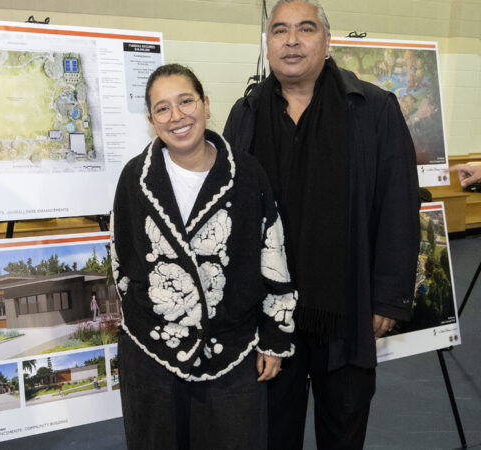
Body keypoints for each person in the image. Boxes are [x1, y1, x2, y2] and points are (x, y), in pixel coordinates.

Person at [222, 1, 420, 448]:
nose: (291, 40)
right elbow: (231, 214)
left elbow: (399, 206)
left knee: (344, 430)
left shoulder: (372, 108)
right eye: (280, 30)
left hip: (346, 308)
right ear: (268, 43)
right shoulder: (246, 113)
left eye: (305, 29)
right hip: (268, 314)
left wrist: (389, 296)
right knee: (273, 432)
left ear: (327, 41)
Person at [111, 63, 298, 450]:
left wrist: (274, 337)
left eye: (185, 101)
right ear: (151, 120)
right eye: (162, 108)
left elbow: (273, 252)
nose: (176, 116)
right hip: (153, 352)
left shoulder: (247, 174)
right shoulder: (134, 178)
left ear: (206, 104)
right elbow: (122, 261)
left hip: (233, 350)